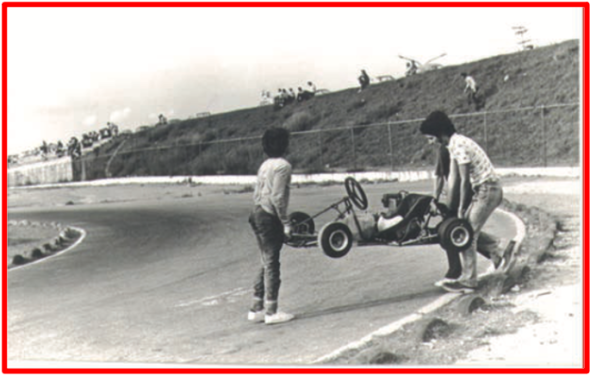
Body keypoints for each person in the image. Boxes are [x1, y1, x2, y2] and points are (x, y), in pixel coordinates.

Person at [419, 110, 511, 293]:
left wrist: (460, 207)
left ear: (439, 133)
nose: (430, 142)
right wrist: (448, 206)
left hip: (488, 189)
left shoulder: (459, 145)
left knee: (466, 234)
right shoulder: (453, 145)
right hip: (484, 189)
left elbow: (463, 181)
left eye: (431, 138)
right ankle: (499, 250)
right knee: (463, 229)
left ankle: (469, 281)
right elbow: (452, 179)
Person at [247, 127, 295, 325]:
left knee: (265, 260)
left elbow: (257, 192)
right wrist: (286, 223)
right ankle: (271, 311)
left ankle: (256, 308)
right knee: (272, 263)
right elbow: (277, 197)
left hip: (256, 212)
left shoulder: (264, 165)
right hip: (269, 216)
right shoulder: (283, 166)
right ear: (283, 144)